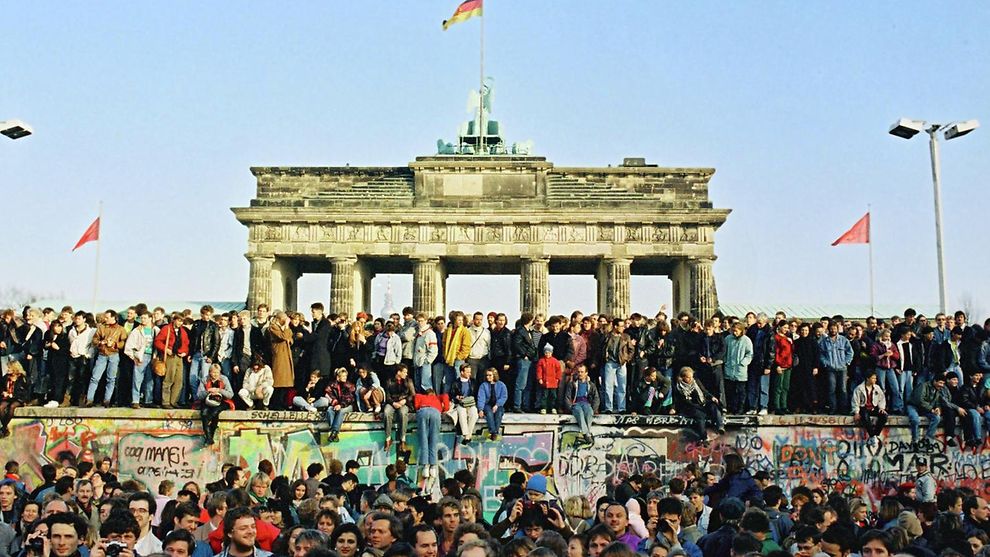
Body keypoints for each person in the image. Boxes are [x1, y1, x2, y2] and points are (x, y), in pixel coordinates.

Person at [673, 366, 724, 444]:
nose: (690, 379)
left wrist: (711, 397)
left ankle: (720, 425)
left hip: (701, 402)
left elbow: (703, 391)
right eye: (688, 378)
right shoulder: (679, 387)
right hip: (690, 407)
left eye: (691, 377)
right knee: (700, 415)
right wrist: (699, 407)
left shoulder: (695, 381)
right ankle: (703, 437)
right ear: (683, 377)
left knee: (713, 406)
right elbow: (686, 402)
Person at [87, 310, 127, 408]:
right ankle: (89, 399)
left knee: (111, 379)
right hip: (102, 354)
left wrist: (114, 344)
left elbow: (123, 343)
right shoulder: (101, 327)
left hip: (114, 355)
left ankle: (107, 400)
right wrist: (101, 342)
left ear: (114, 318)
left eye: (107, 317)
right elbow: (95, 340)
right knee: (95, 377)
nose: (105, 319)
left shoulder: (121, 329)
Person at [156, 313, 190, 409]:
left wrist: (185, 352)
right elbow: (158, 341)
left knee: (179, 380)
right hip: (170, 356)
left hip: (179, 357)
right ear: (174, 320)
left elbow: (186, 344)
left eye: (181, 321)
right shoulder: (166, 329)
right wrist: (165, 349)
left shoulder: (182, 331)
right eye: (178, 320)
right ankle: (166, 401)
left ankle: (174, 401)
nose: (180, 323)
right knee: (168, 379)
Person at [818, 321, 854, 415]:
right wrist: (826, 363)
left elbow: (850, 352)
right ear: (828, 329)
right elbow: (821, 354)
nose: (833, 330)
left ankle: (843, 409)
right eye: (831, 328)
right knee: (831, 389)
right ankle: (833, 408)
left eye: (835, 328)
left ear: (837, 329)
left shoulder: (843, 340)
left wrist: (846, 362)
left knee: (843, 389)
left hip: (842, 368)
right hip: (830, 369)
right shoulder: (824, 342)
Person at [907, 373, 952, 445]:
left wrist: (938, 408)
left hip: (926, 409)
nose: (941, 385)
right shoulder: (923, 386)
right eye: (940, 383)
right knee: (915, 420)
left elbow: (937, 401)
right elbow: (919, 400)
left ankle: (928, 439)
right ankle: (915, 440)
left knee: (937, 418)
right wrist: (931, 409)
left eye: (943, 383)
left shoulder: (938, 389)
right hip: (914, 406)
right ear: (934, 381)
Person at [415, 388, 449, 481]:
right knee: (433, 441)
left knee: (424, 439)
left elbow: (416, 405)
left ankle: (425, 467)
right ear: (433, 393)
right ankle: (433, 466)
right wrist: (445, 409)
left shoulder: (420, 396)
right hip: (435, 412)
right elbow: (445, 396)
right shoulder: (438, 397)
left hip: (423, 411)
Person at [563, 363, 600, 447]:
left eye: (582, 372)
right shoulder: (572, 384)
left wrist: (593, 408)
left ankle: (586, 433)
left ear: (586, 373)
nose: (580, 374)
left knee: (589, 412)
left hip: (586, 403)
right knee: (579, 412)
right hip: (576, 403)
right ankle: (587, 434)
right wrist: (570, 407)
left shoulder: (591, 385)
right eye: (579, 372)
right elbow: (567, 397)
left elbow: (596, 398)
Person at [197, 363, 234, 445]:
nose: (215, 374)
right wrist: (208, 391)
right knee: (204, 413)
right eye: (213, 372)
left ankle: (209, 437)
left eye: (217, 372)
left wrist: (219, 390)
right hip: (208, 401)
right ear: (210, 372)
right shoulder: (204, 380)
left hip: (222, 401)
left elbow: (230, 394)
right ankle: (209, 438)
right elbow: (199, 395)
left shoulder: (224, 379)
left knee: (214, 413)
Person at [382, 364, 415, 452]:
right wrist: (393, 403)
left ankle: (402, 440)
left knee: (403, 413)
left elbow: (413, 395)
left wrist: (405, 400)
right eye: (404, 372)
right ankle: (388, 438)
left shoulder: (408, 381)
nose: (406, 374)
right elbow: (387, 395)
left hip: (404, 402)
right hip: (392, 402)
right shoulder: (389, 381)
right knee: (386, 412)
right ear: (398, 372)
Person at [723, 323, 753, 415]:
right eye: (733, 331)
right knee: (730, 390)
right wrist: (725, 361)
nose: (735, 333)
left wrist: (743, 363)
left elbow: (749, 354)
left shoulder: (746, 340)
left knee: (741, 391)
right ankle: (731, 408)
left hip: (740, 370)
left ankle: (740, 409)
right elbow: (724, 351)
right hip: (729, 368)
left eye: (736, 331)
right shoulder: (728, 339)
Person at [851, 369, 888, 444]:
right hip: (864, 408)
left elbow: (882, 398)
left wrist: (881, 408)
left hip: (874, 407)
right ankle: (872, 435)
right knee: (865, 416)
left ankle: (875, 435)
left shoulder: (877, 388)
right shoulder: (859, 388)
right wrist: (856, 412)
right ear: (868, 378)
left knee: (884, 416)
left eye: (875, 378)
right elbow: (855, 401)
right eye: (873, 378)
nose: (875, 380)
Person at [268, 311, 295, 410]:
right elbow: (284, 336)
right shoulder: (273, 327)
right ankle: (276, 403)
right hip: (279, 355)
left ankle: (282, 402)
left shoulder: (284, 328)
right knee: (279, 381)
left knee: (286, 382)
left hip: (286, 355)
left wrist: (287, 333)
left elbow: (290, 337)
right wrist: (286, 326)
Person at [447, 364, 479, 445]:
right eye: (467, 372)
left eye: (470, 372)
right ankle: (466, 434)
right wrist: (457, 397)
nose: (469, 374)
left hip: (471, 403)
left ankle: (468, 435)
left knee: (474, 414)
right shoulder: (456, 383)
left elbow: (476, 394)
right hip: (460, 403)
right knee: (462, 413)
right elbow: (451, 395)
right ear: (462, 372)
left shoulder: (473, 382)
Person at [324, 367, 356, 443]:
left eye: (346, 376)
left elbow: (349, 399)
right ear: (338, 377)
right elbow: (329, 395)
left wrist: (340, 405)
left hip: (349, 405)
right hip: (337, 404)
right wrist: (335, 404)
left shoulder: (349, 386)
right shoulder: (332, 385)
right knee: (329, 410)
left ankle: (334, 432)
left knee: (341, 411)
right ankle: (334, 433)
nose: (345, 378)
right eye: (343, 376)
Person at [477, 368, 508, 441]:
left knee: (499, 413)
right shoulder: (483, 385)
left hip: (498, 405)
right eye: (487, 375)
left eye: (490, 375)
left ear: (494, 375)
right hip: (487, 404)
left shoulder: (501, 385)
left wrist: (497, 405)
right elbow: (481, 398)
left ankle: (495, 432)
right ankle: (493, 432)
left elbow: (504, 397)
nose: (488, 377)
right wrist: (480, 409)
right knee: (489, 413)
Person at [0, 361, 29, 438]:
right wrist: (3, 392)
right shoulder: (5, 377)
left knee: (12, 407)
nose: (8, 369)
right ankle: (5, 427)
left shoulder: (22, 378)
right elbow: (1, 387)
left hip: (18, 398)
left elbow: (25, 392)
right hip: (7, 398)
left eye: (9, 368)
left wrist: (13, 395)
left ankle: (3, 427)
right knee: (1, 407)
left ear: (14, 368)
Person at [535, 344, 562, 415]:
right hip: (545, 382)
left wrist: (557, 378)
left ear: (551, 353)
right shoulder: (541, 361)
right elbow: (539, 370)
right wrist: (539, 378)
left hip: (553, 382)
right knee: (544, 396)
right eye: (546, 353)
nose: (547, 354)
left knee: (553, 396)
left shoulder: (555, 361)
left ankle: (553, 407)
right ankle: (544, 407)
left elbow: (558, 370)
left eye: (549, 353)